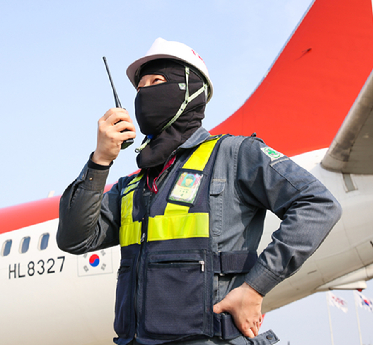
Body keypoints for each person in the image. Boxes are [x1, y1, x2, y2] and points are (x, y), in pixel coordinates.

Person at [57, 38, 342, 345]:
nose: (144, 93)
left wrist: (256, 286)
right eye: (139, 88)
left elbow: (318, 204)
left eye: (157, 82)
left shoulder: (234, 155)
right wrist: (100, 162)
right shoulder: (132, 187)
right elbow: (74, 238)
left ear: (191, 92)